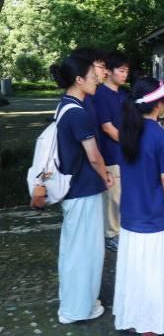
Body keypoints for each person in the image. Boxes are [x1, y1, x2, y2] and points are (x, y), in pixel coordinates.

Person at [44, 56, 114, 324]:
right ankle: (78, 309)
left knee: (75, 250)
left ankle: (76, 304)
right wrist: (106, 174)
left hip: (76, 190)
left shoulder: (65, 106)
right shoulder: (78, 113)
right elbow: (93, 156)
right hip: (83, 189)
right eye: (93, 76)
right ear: (79, 80)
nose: (97, 79)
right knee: (86, 253)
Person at [114, 77, 164, 335]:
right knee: (159, 271)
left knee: (136, 271)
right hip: (156, 216)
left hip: (131, 215)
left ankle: (140, 319)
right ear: (157, 104)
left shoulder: (126, 134)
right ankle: (157, 321)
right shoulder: (162, 137)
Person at [92, 51, 129, 251]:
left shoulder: (123, 94)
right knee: (113, 196)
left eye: (126, 71)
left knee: (123, 195)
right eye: (121, 70)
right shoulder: (101, 95)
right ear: (109, 71)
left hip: (125, 153)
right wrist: (129, 143)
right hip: (111, 153)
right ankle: (111, 234)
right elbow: (107, 127)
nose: (124, 75)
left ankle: (121, 230)